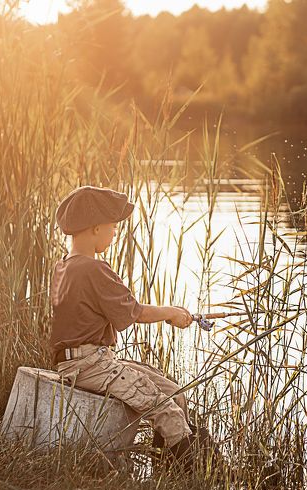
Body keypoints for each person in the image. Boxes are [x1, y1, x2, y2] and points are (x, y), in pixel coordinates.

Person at [48, 185, 209, 467]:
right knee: (167, 411)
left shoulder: (64, 267)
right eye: (113, 226)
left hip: (86, 362)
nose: (115, 232)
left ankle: (165, 470)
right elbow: (134, 313)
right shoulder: (93, 269)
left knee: (173, 393)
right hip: (90, 366)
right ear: (95, 228)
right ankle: (187, 482)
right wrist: (172, 312)